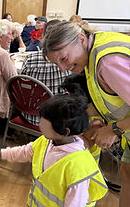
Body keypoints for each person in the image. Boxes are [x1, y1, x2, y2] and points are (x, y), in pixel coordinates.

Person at [42, 21, 130, 207]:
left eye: (63, 59)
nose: (62, 68)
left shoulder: (106, 64)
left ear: (81, 39)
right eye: (56, 63)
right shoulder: (91, 55)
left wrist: (113, 129)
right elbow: (106, 100)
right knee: (127, 172)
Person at [0, 94, 108, 206]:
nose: (40, 124)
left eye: (44, 122)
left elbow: (75, 203)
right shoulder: (46, 141)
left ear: (64, 131)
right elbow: (25, 152)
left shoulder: (78, 165)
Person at [20, 19, 71, 126]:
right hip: (58, 119)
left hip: (30, 114)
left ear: (43, 36)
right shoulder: (70, 61)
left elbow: (21, 85)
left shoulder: (30, 59)